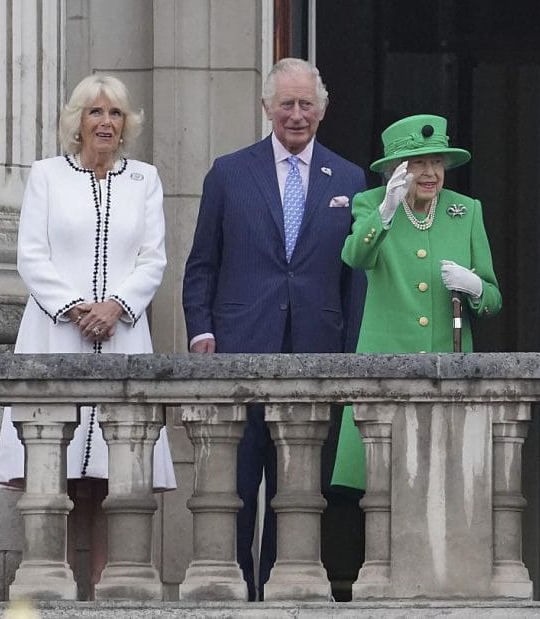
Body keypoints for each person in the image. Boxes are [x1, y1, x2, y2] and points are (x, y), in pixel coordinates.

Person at [182, 58, 366, 601]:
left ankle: (289, 595)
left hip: (316, 357)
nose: (296, 114)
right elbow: (202, 265)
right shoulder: (229, 172)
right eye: (286, 103)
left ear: (322, 110)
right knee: (236, 491)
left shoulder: (350, 179)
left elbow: (354, 280)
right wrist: (200, 332)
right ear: (267, 108)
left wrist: (351, 355)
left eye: (306, 103)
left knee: (299, 492)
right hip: (240, 354)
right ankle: (238, 595)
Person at [0, 73, 177, 599]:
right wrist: (75, 308)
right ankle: (53, 586)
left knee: (110, 471)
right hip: (58, 335)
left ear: (126, 124)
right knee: (57, 467)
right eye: (95, 113)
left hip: (120, 334)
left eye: (115, 114)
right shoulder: (47, 175)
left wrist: (116, 306)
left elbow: (153, 258)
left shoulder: (145, 178)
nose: (106, 123)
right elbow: (32, 254)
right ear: (78, 121)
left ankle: (105, 587)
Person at [331, 114, 501, 490]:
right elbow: (355, 258)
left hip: (448, 379)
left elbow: (492, 300)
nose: (430, 173)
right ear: (397, 169)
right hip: (385, 374)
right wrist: (386, 212)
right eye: (419, 163)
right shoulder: (371, 204)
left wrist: (474, 287)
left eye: (437, 162)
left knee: (444, 487)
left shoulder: (466, 210)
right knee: (384, 487)